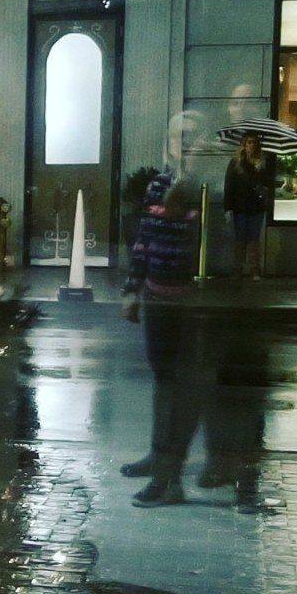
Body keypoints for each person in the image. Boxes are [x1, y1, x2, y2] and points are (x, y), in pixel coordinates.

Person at [120, 170, 202, 506]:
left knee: (180, 388)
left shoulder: (202, 190)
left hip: (190, 301)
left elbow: (209, 246)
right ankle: (159, 457)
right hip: (157, 297)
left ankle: (168, 477)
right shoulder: (159, 185)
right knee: (163, 380)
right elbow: (143, 242)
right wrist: (132, 288)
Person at [222, 131, 275, 278]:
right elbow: (229, 185)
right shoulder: (236, 162)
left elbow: (269, 183)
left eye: (254, 142)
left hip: (256, 206)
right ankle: (237, 268)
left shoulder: (263, 162)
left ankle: (254, 269)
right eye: (249, 142)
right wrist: (228, 207)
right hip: (240, 205)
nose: (251, 146)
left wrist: (259, 170)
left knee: (253, 239)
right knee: (240, 238)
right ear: (244, 145)